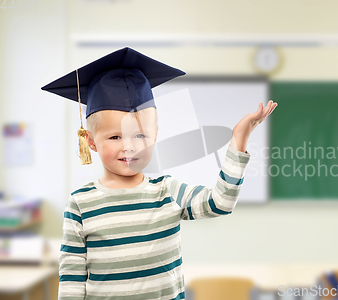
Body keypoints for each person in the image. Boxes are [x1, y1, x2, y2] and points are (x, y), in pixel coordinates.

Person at [41, 47, 277, 300]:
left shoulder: (168, 190)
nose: (129, 146)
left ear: (155, 136)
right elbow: (72, 280)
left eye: (140, 135)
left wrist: (238, 139)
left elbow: (221, 203)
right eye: (115, 136)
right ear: (91, 141)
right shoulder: (81, 203)